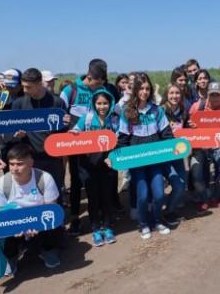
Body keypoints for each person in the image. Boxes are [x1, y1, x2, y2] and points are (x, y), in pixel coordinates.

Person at [114, 73, 176, 239]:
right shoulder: (127, 111)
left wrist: (175, 148)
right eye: (141, 88)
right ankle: (143, 224)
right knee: (142, 196)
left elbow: (167, 134)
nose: (144, 92)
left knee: (159, 194)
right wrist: (118, 158)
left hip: (155, 160)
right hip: (137, 163)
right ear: (135, 90)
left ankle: (158, 221)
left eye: (147, 88)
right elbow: (122, 139)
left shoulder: (157, 110)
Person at [0, 143, 62, 273]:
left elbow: (52, 208)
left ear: (31, 162)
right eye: (11, 164)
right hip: (14, 223)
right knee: (2, 232)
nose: (14, 168)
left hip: (38, 221)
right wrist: (15, 227)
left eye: (19, 164)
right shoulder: (0, 184)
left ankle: (48, 250)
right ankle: (11, 256)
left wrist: (37, 224)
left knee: (53, 224)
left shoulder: (45, 178)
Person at [72, 90, 120, 245]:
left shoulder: (114, 120)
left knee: (106, 197)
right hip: (89, 166)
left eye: (105, 103)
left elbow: (120, 138)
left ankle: (107, 226)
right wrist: (74, 133)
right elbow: (76, 132)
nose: (102, 106)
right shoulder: (86, 118)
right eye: (99, 103)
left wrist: (113, 157)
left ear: (110, 104)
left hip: (108, 165)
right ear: (94, 104)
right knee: (93, 198)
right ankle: (96, 229)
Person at [11, 68, 71, 192]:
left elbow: (64, 131)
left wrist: (66, 124)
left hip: (53, 158)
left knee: (54, 192)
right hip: (29, 159)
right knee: (33, 194)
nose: (24, 90)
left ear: (39, 84)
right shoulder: (18, 104)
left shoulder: (57, 103)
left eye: (28, 87)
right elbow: (11, 132)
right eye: (23, 86)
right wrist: (18, 135)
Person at [187, 81, 220, 211]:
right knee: (196, 171)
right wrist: (192, 127)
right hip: (200, 144)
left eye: (217, 95)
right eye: (212, 95)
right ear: (207, 95)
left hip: (219, 144)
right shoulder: (197, 106)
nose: (215, 98)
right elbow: (187, 126)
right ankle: (203, 198)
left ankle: (218, 197)